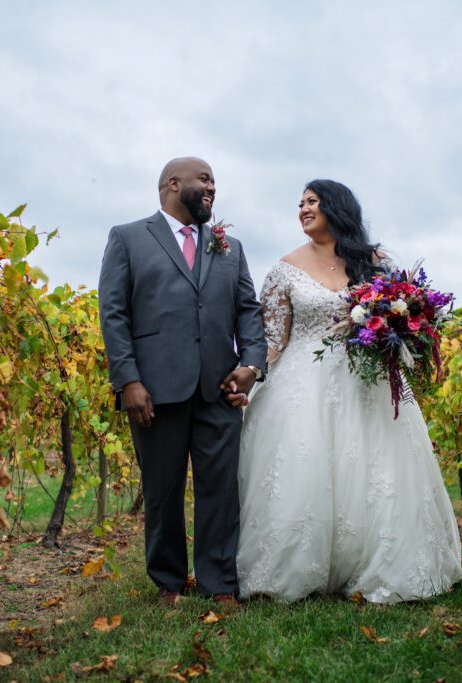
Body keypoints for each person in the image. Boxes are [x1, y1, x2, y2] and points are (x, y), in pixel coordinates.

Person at [236, 179, 462, 603]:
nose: (303, 209)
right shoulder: (285, 269)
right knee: (304, 469)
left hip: (367, 381)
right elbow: (272, 340)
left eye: (312, 202)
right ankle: (295, 569)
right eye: (300, 203)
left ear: (335, 208)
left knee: (377, 474)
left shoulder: (374, 263)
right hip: (301, 386)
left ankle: (374, 564)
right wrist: (247, 375)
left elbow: (403, 315)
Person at [98, 157, 268, 607]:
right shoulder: (129, 237)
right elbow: (113, 313)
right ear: (173, 184)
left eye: (214, 180)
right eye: (205, 179)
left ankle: (219, 584)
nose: (212, 187)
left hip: (219, 388)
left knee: (220, 490)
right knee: (163, 490)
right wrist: (128, 380)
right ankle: (169, 583)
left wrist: (251, 366)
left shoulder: (229, 246)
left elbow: (248, 310)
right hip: (154, 390)